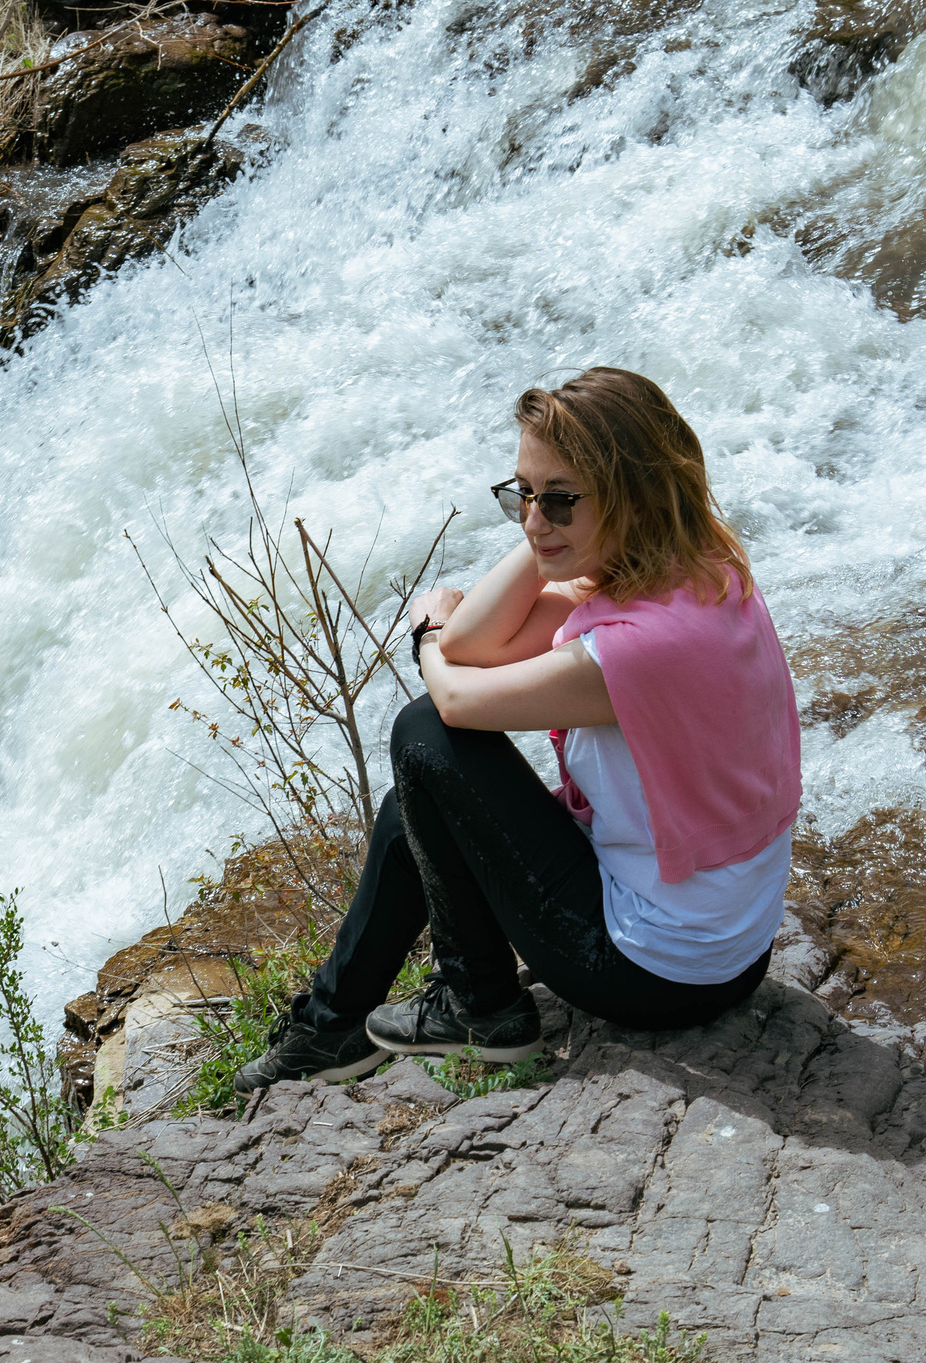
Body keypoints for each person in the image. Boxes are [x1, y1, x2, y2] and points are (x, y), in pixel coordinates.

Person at [234, 366, 802, 1093]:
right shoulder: (698, 568)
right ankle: (330, 1024)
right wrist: (546, 535)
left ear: (634, 495)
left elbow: (454, 697)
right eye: (522, 494)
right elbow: (479, 643)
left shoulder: (639, 648)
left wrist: (424, 635)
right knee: (422, 803)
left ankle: (477, 1005)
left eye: (561, 500)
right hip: (730, 950)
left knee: (423, 736)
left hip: (657, 974)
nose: (534, 519)